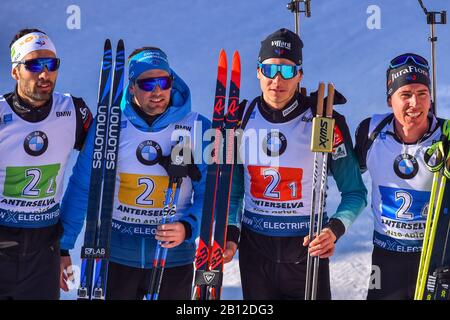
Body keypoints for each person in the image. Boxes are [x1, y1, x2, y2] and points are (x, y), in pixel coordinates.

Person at [223, 28, 367, 300]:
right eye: (269, 70)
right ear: (257, 71)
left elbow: (355, 193)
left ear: (300, 74)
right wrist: (231, 235)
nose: (277, 80)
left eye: (287, 71)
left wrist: (332, 231)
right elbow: (234, 193)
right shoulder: (242, 119)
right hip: (256, 254)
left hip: (306, 251)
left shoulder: (322, 122)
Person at [61, 47, 209, 300]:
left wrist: (188, 227)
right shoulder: (110, 125)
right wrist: (63, 245)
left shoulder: (198, 127)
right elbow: (84, 185)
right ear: (131, 87)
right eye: (148, 83)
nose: (157, 91)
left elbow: (213, 192)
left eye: (164, 82)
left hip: (172, 258)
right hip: (117, 256)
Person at [0, 28, 93, 299]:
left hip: (44, 249)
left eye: (51, 64)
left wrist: (64, 248)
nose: (44, 74)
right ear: (15, 71)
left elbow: (97, 168)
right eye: (34, 65)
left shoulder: (73, 111)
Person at [354, 53, 446, 300]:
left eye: (422, 94)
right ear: (389, 99)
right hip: (386, 258)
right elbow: (347, 177)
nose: (415, 103)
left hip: (436, 258)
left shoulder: (446, 137)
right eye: (405, 95)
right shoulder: (370, 131)